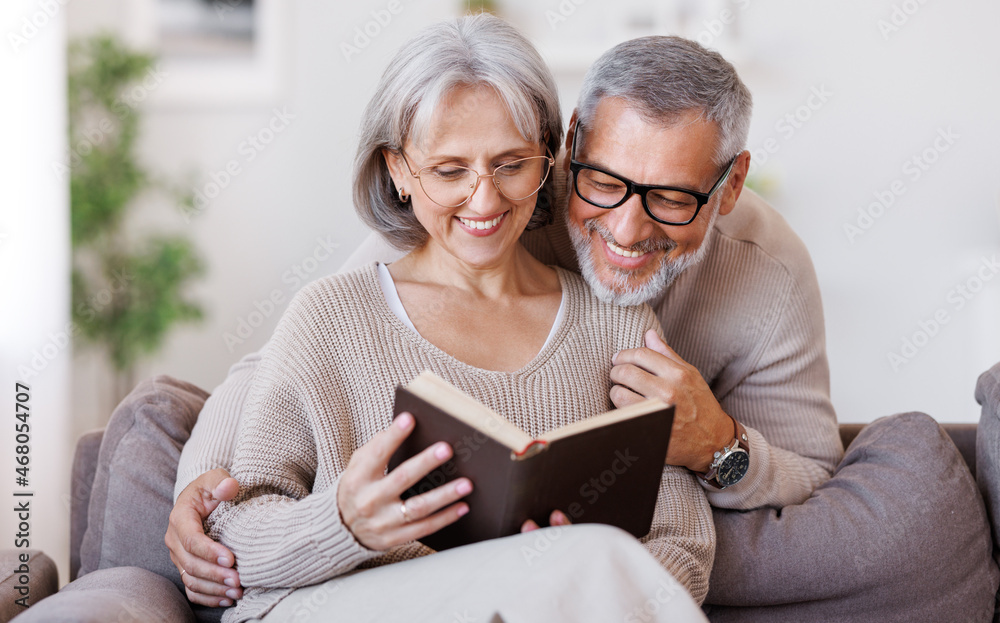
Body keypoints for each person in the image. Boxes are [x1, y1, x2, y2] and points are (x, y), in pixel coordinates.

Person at [168, 31, 841, 609]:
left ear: (728, 185)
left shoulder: (728, 289)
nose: (626, 228)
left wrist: (716, 445)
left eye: (669, 198)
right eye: (602, 182)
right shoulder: (407, 259)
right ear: (572, 148)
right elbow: (287, 366)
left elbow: (726, 516)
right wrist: (210, 493)